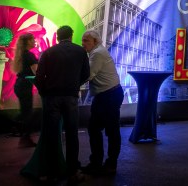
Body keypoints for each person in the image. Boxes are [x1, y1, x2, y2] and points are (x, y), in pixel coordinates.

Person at [34, 25, 91, 181]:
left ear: (58, 37)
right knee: (72, 134)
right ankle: (73, 172)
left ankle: (52, 174)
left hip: (52, 98)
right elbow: (86, 74)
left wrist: (45, 92)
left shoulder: (48, 52)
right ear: (71, 36)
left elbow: (39, 77)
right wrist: (75, 85)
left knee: (52, 135)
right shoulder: (80, 52)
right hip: (71, 97)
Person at [81, 30, 124, 176]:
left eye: (86, 40)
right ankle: (102, 163)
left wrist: (68, 83)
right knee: (100, 129)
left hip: (109, 95)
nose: (83, 43)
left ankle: (106, 164)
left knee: (108, 130)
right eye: (83, 40)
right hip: (107, 94)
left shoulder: (97, 53)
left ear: (95, 41)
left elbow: (88, 75)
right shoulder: (96, 52)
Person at [12, 33, 39, 147]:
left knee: (25, 112)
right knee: (27, 113)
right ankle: (25, 139)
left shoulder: (22, 54)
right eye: (33, 40)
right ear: (28, 41)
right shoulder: (29, 55)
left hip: (19, 85)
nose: (34, 41)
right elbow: (37, 72)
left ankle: (22, 135)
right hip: (25, 86)